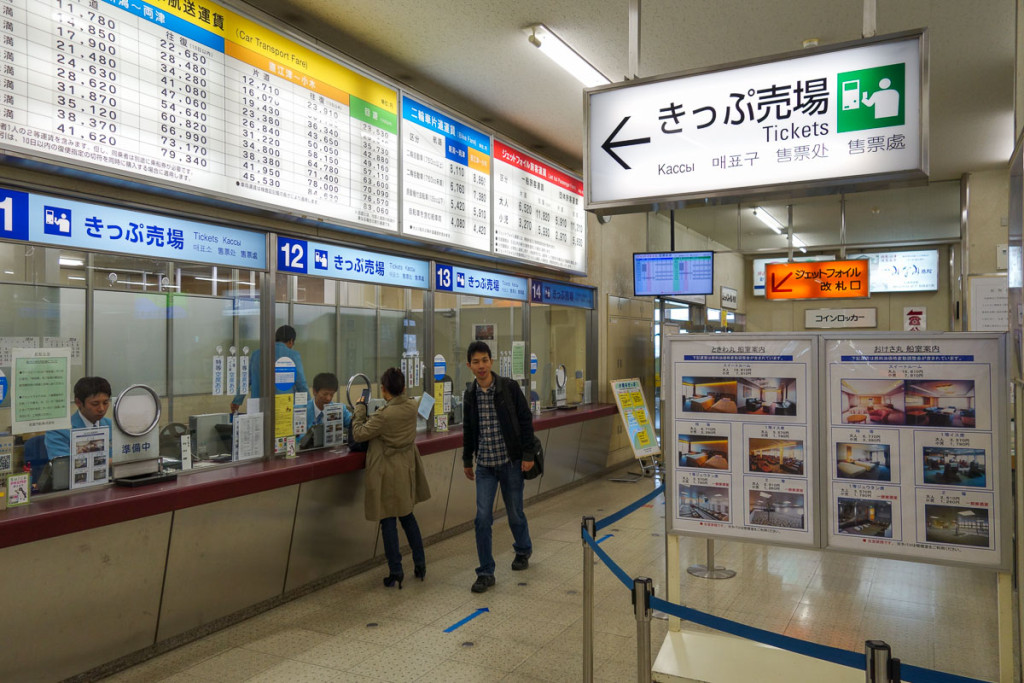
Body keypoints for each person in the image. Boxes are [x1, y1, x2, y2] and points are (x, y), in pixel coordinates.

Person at [462, 341, 535, 594]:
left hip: (511, 462)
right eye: (476, 362)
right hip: (485, 466)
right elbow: (469, 429)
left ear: (491, 361)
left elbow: (525, 420)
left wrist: (527, 453)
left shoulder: (508, 388)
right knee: (482, 518)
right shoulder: (470, 394)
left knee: (515, 512)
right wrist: (466, 459)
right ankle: (485, 572)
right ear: (469, 365)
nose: (481, 366)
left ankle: (523, 549)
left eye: (484, 360)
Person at [352, 367, 430, 589]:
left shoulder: (384, 416)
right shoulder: (412, 407)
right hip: (405, 470)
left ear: (384, 390)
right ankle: (420, 564)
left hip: (386, 473)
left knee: (388, 522)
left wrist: (360, 409)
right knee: (408, 517)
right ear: (404, 387)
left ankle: (396, 571)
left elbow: (359, 433)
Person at [230, 325, 308, 413]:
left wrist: (237, 401)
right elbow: (301, 383)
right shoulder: (293, 355)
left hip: (258, 407)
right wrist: (309, 404)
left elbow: (246, 380)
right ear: (291, 341)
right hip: (283, 408)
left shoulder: (256, 355)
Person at [44, 376, 113, 459]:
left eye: (105, 403)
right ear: (78, 402)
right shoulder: (58, 431)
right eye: (95, 404)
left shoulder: (112, 426)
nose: (101, 409)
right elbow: (63, 467)